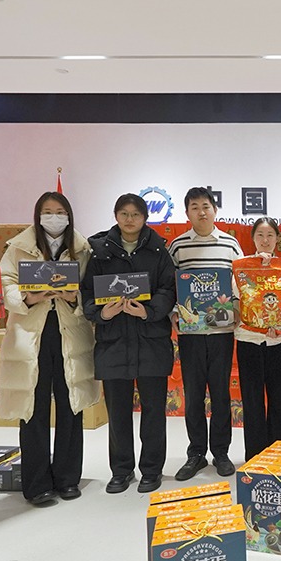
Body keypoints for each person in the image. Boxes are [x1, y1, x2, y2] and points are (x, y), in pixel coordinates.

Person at [0, 192, 97, 506]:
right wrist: (28, 297)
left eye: (60, 212)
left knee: (70, 403)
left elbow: (93, 287)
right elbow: (4, 282)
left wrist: (74, 297)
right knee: (33, 405)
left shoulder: (82, 248)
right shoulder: (18, 247)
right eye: (48, 212)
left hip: (69, 331)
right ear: (37, 215)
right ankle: (37, 483)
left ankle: (68, 478)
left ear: (69, 216)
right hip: (31, 332)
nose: (54, 217)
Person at [81, 194, 176, 493]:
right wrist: (102, 314)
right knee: (118, 412)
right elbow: (86, 293)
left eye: (136, 214)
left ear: (145, 217)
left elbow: (169, 289)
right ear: (116, 216)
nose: (130, 219)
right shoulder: (99, 252)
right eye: (124, 213)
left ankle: (151, 469)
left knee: (153, 410)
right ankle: (121, 471)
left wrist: (148, 311)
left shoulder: (159, 250)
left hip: (151, 340)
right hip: (114, 342)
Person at [167, 187, 243, 480]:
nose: (201, 211)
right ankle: (196, 453)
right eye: (195, 207)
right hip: (191, 334)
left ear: (215, 210)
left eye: (206, 206)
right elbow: (168, 284)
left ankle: (221, 452)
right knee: (194, 393)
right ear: (187, 212)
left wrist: (236, 308)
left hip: (222, 331)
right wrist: (174, 312)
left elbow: (240, 282)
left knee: (221, 393)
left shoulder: (230, 244)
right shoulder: (177, 246)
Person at [234, 218, 281, 460]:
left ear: (278, 238)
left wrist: (280, 325)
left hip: (278, 341)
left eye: (270, 235)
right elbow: (236, 301)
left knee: (278, 399)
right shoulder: (242, 267)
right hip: (249, 340)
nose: (265, 240)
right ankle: (255, 455)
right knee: (252, 400)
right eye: (260, 235)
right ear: (253, 239)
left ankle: (279, 453)